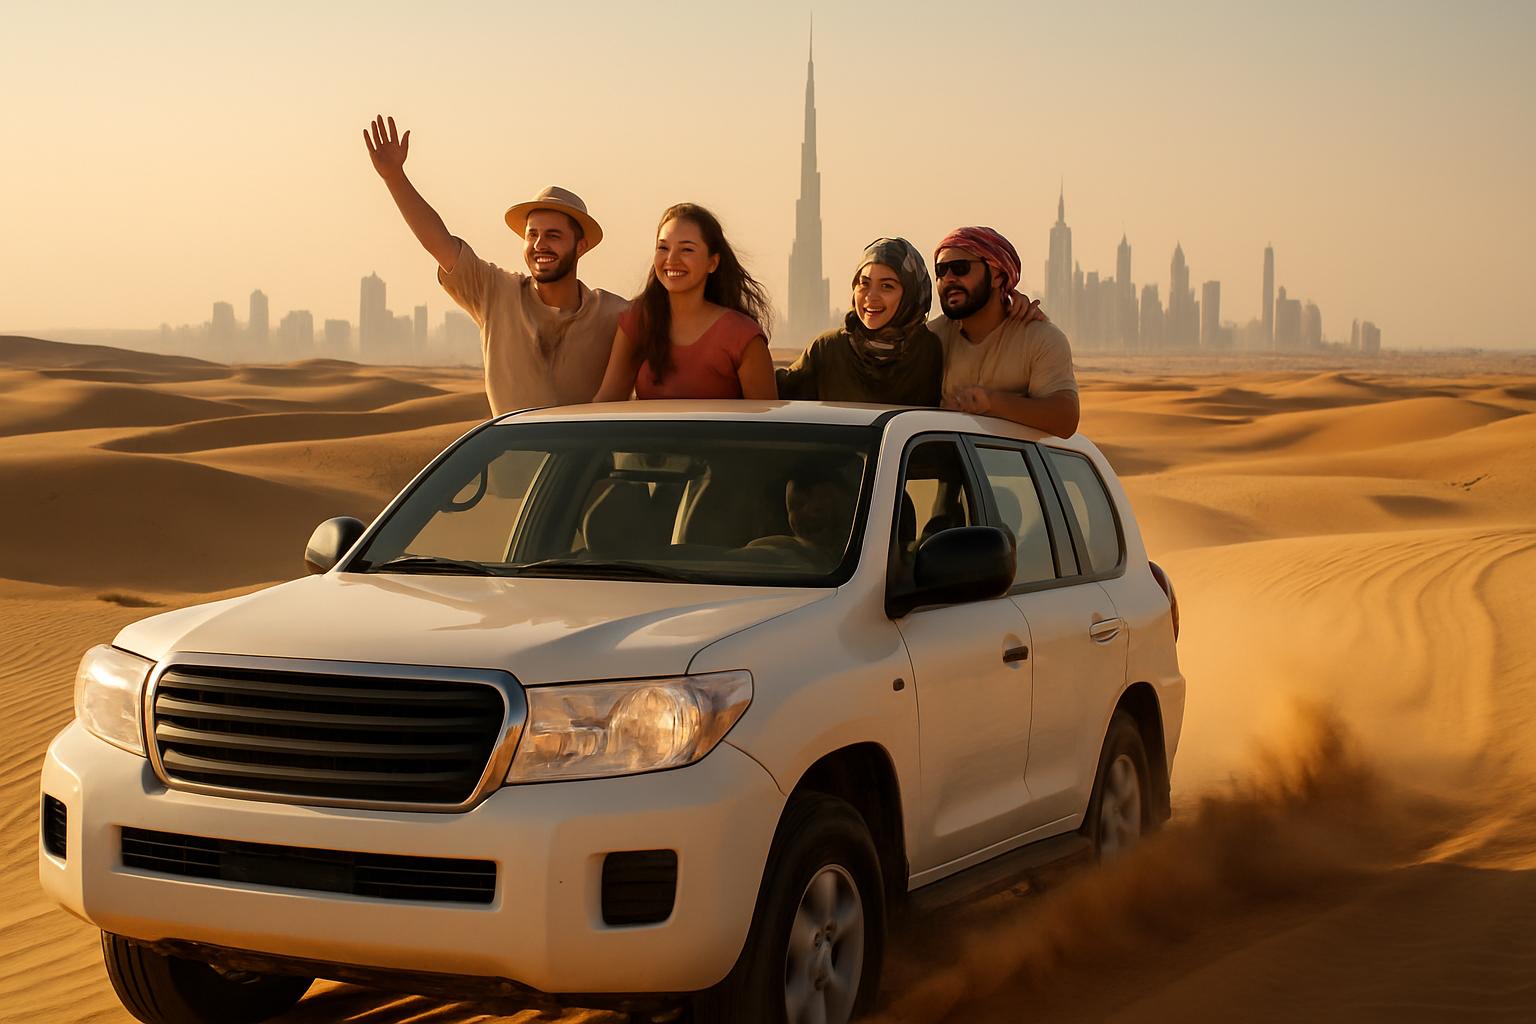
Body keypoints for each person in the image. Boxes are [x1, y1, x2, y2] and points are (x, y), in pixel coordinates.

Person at [363, 115, 627, 414]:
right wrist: (394, 177)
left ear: (581, 246)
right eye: (532, 235)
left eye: (553, 236)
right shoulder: (495, 293)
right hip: (510, 446)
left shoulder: (613, 314)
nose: (540, 245)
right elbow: (439, 243)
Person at [593, 204, 777, 401]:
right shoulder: (639, 320)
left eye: (687, 249)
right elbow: (606, 402)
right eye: (663, 248)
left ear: (712, 263)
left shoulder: (743, 336)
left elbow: (766, 418)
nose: (672, 259)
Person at [930, 226, 1080, 437]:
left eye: (960, 268)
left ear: (998, 277)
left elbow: (1065, 419)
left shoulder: (1039, 339)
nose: (948, 278)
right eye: (941, 270)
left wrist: (992, 403)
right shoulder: (931, 339)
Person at [776, 237, 944, 405]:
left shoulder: (930, 351)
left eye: (887, 286)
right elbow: (775, 395)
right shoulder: (828, 350)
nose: (871, 296)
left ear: (910, 294)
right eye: (864, 283)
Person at [743, 457, 860, 569]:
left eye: (824, 498)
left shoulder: (864, 549)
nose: (810, 511)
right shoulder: (779, 552)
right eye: (797, 505)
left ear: (850, 499)